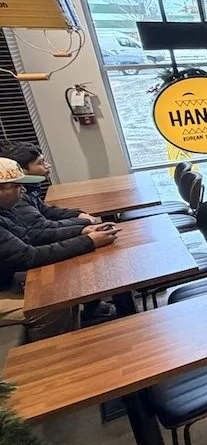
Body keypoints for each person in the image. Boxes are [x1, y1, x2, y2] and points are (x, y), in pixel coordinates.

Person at [0, 158, 118, 342]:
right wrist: (88, 241)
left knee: (65, 289)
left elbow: (31, 235)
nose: (22, 190)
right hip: (4, 287)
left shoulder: (6, 210)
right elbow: (28, 256)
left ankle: (75, 342)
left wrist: (82, 231)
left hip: (7, 279)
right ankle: (55, 355)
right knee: (51, 307)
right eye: (16, 186)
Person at [0, 144, 97, 232]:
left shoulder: (30, 189)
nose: (47, 165)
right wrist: (82, 225)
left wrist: (77, 214)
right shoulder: (17, 198)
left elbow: (46, 210)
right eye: (40, 163)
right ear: (22, 170)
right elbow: (41, 228)